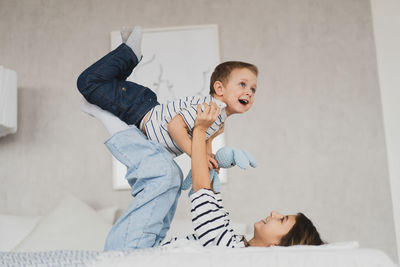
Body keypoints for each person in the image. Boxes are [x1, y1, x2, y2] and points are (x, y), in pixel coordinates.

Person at [82, 98, 323, 250]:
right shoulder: (237, 242)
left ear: (279, 245)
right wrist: (208, 139)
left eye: (282, 220)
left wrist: (199, 130)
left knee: (166, 175)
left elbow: (202, 193)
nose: (274, 213)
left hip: (129, 252)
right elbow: (210, 195)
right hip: (147, 247)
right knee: (172, 179)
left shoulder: (230, 253)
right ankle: (118, 121)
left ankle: (111, 119)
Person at [76, 26, 258, 170]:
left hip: (141, 113)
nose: (249, 92)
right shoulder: (211, 108)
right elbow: (174, 126)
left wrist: (206, 156)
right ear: (219, 88)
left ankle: (99, 102)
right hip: (140, 109)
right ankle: (130, 54)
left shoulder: (218, 118)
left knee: (101, 89)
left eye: (253, 89)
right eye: (242, 84)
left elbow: (196, 140)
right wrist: (197, 156)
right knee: (88, 83)